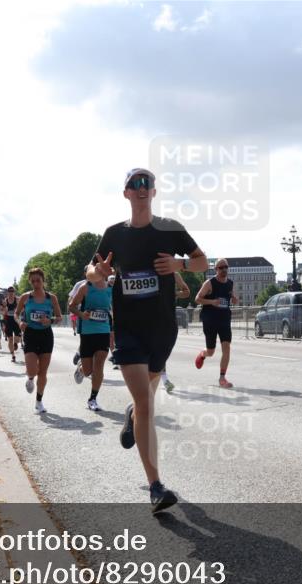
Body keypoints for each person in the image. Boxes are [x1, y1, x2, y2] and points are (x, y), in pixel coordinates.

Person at [87, 167, 208, 513]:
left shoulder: (170, 229)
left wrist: (179, 264)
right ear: (125, 193)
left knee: (144, 401)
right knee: (146, 404)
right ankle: (155, 486)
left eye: (147, 183)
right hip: (128, 329)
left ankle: (132, 414)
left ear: (154, 191)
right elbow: (92, 270)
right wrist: (100, 273)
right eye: (134, 184)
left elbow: (203, 261)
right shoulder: (114, 234)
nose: (141, 188)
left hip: (162, 330)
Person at [17, 267, 62, 414]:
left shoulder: (51, 298)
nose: (36, 283)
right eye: (33, 281)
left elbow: (59, 318)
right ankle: (30, 378)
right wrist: (20, 323)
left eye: (38, 280)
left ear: (43, 281)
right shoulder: (25, 297)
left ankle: (39, 402)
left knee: (43, 372)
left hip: (46, 335)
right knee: (32, 370)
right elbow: (16, 314)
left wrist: (50, 320)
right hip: (30, 334)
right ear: (30, 282)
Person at [68, 272, 113, 411]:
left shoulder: (111, 288)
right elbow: (72, 306)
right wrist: (81, 314)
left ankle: (92, 398)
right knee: (88, 371)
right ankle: (81, 368)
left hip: (104, 331)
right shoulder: (85, 287)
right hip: (87, 332)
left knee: (99, 365)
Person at [194, 258, 239, 388]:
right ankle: (203, 354)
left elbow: (234, 300)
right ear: (216, 270)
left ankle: (222, 378)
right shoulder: (210, 283)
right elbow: (197, 299)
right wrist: (212, 302)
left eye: (226, 267)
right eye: (221, 268)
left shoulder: (230, 283)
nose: (224, 269)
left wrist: (235, 299)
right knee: (211, 351)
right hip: (210, 320)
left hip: (224, 319)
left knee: (227, 348)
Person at [160, 272, 190, 393]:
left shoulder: (174, 275)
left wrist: (175, 293)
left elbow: (187, 292)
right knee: (157, 350)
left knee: (163, 350)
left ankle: (160, 375)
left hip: (169, 317)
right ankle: (164, 379)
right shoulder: (148, 271)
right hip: (151, 316)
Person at [2, 286, 22, 363]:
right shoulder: (5, 301)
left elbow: (23, 308)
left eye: (12, 291)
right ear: (7, 292)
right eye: (9, 291)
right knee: (10, 339)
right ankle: (13, 356)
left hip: (16, 321)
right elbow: (1, 311)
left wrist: (18, 310)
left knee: (18, 339)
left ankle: (16, 343)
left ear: (14, 292)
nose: (11, 293)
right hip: (8, 321)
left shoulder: (17, 300)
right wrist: (4, 311)